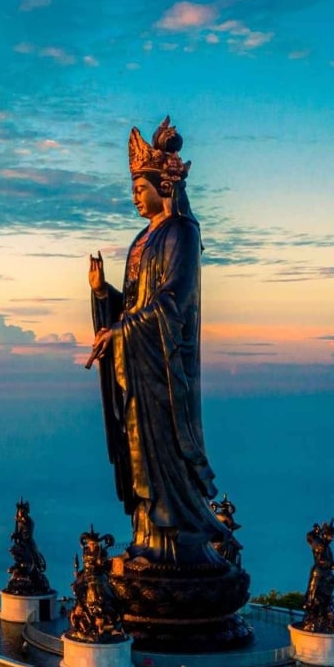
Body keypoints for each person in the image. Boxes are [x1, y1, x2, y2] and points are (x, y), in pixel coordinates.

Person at [87, 118, 231, 569]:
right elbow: (133, 303)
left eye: (140, 186)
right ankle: (147, 536)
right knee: (137, 450)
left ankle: (178, 541)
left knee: (164, 447)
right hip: (137, 366)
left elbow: (173, 301)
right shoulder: (140, 240)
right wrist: (102, 295)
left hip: (164, 367)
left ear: (162, 186)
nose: (134, 195)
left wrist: (123, 331)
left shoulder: (181, 233)